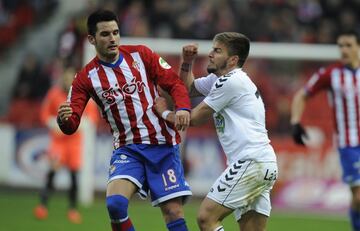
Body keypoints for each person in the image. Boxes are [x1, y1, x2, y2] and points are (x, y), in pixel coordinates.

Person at [56, 10, 192, 231]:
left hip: (163, 145)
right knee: (116, 205)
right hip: (128, 150)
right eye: (105, 34)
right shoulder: (85, 78)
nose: (112, 39)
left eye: (116, 32)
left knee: (173, 212)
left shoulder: (141, 55)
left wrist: (184, 108)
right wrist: (64, 120)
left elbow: (174, 83)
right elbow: (71, 124)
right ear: (91, 39)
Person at [155, 32, 278, 231]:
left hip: (250, 162)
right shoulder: (221, 80)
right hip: (265, 164)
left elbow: (192, 118)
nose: (210, 54)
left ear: (233, 60)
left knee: (206, 217)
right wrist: (186, 62)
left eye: (217, 51)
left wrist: (164, 112)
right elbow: (188, 88)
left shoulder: (230, 81)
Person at [290, 30, 360, 231]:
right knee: (358, 195)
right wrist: (296, 122)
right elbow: (302, 95)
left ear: (358, 47)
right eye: (341, 46)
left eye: (348, 45)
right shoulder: (331, 74)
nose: (344, 50)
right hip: (349, 144)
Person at [33, 65, 99, 223]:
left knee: (74, 175)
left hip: (75, 143)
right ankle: (42, 206)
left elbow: (93, 117)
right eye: (66, 77)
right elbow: (44, 113)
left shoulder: (83, 94)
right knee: (52, 171)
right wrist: (52, 124)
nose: (68, 80)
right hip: (59, 141)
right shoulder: (54, 94)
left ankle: (72, 209)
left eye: (71, 77)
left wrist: (80, 125)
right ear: (62, 78)